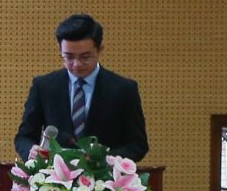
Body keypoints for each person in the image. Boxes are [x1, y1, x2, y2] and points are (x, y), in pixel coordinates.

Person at [14, 13, 149, 162]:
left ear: (100, 49)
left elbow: (137, 145)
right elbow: (24, 137)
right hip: (55, 173)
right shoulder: (44, 86)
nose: (76, 64)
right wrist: (31, 150)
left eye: (85, 57)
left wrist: (106, 159)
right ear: (60, 50)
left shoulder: (124, 89)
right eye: (69, 57)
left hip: (105, 174)